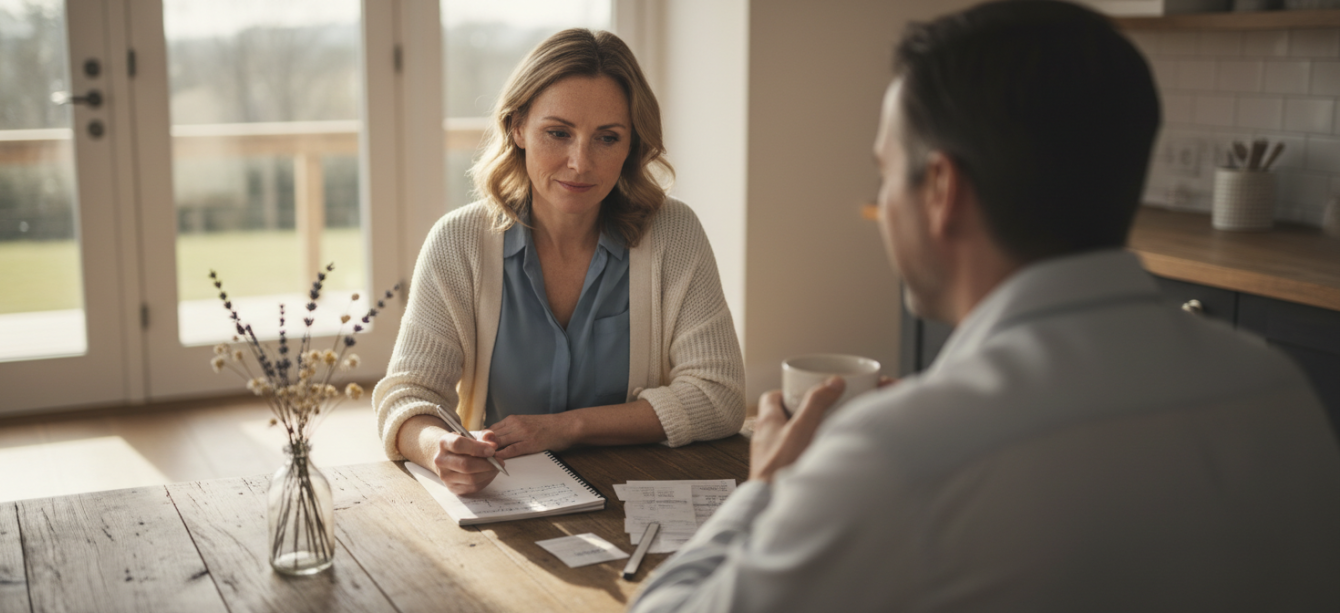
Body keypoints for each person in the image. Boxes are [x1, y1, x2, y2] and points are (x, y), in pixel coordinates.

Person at [630, 2, 1340, 611]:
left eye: (885, 173)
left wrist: (766, 491)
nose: (882, 203)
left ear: (941, 190)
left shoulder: (895, 455)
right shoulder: (1282, 394)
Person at [372, 29, 745, 495]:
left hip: (640, 491)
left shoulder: (674, 233)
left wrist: (566, 427)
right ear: (517, 127)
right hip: (504, 496)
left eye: (607, 138)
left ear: (632, 146)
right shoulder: (459, 242)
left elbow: (719, 396)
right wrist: (438, 448)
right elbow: (408, 397)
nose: (580, 163)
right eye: (558, 133)